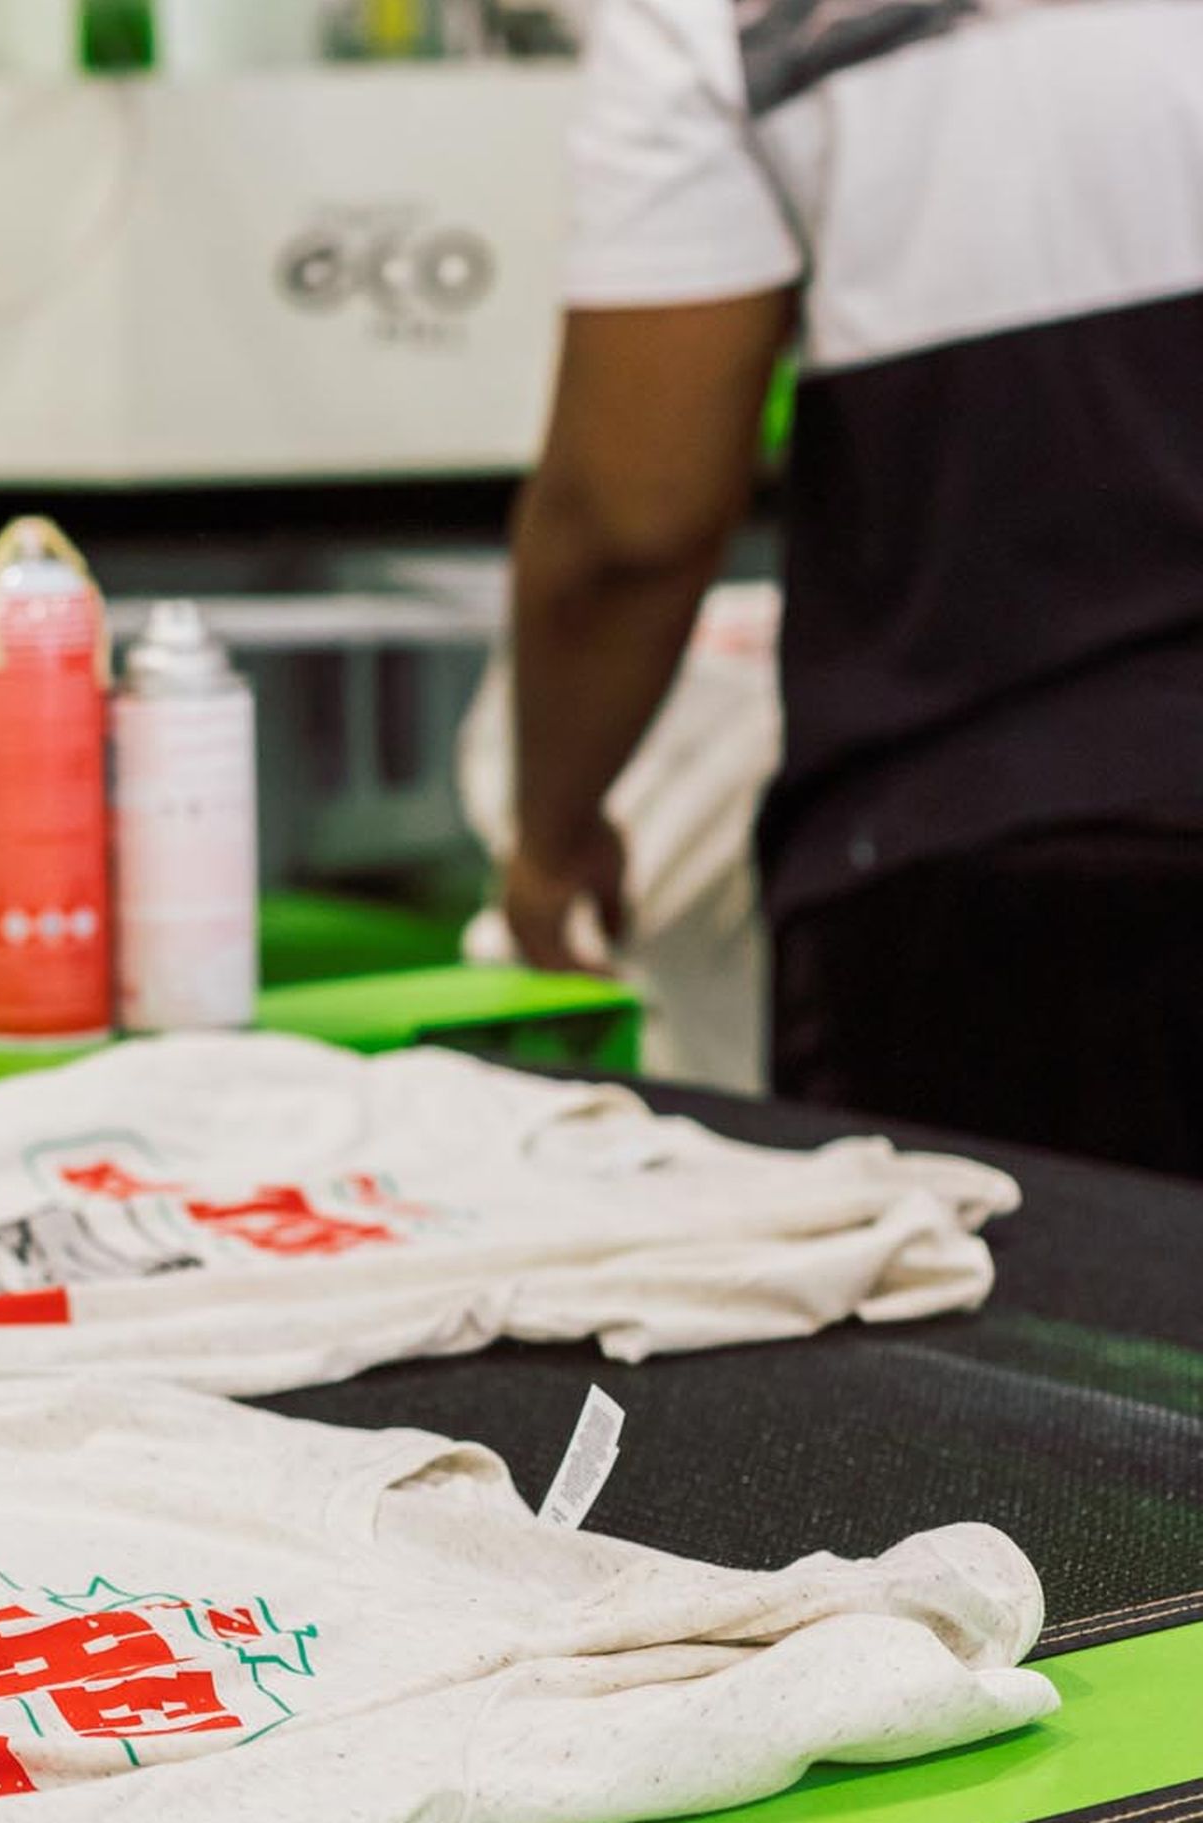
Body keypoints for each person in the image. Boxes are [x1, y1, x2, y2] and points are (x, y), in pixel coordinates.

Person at [503, 0, 1203, 1173]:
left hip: (992, 879)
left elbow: (630, 520)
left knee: (1048, 1351)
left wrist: (552, 837)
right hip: (1011, 864)